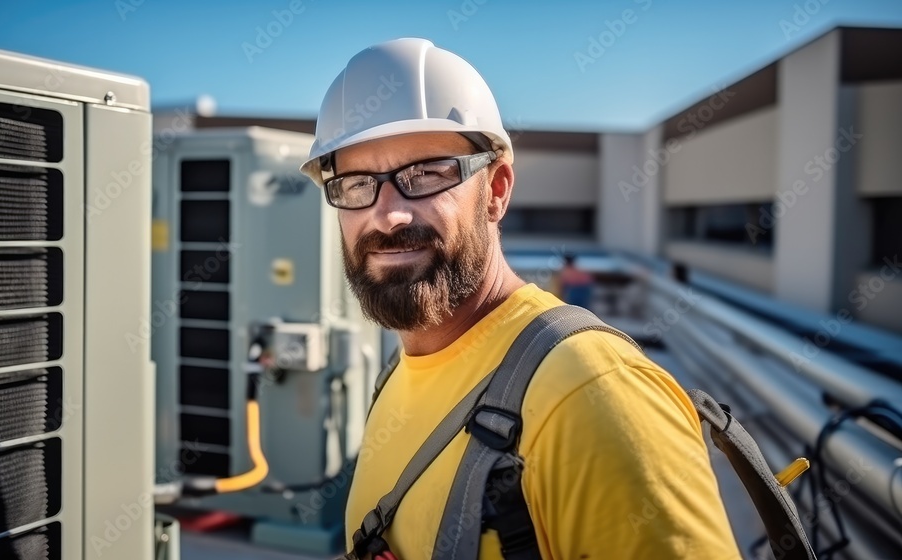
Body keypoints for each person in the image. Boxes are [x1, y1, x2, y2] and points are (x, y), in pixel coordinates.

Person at [300, 38, 740, 559]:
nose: (388, 214)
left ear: (497, 190)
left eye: (426, 174)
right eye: (356, 183)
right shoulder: (396, 377)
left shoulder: (593, 395)